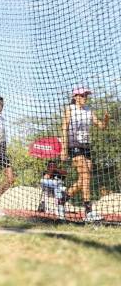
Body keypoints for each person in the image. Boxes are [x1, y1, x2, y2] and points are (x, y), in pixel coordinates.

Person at [60, 87, 110, 222]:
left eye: (86, 95)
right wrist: (64, 148)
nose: (85, 98)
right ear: (75, 97)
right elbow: (64, 128)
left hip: (86, 146)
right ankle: (88, 211)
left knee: (84, 180)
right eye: (82, 95)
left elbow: (101, 126)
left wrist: (105, 120)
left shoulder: (89, 111)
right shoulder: (70, 109)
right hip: (73, 146)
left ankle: (62, 199)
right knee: (86, 174)